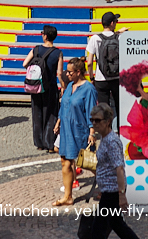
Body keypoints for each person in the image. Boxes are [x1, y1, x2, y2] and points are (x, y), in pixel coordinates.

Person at [83, 102, 140, 239]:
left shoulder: (112, 142)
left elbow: (119, 168)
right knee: (116, 224)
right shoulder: (104, 138)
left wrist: (121, 195)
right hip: (108, 190)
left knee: (98, 230)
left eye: (98, 120)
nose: (94, 123)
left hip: (113, 191)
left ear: (108, 121)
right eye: (92, 120)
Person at [54, 57, 97, 207]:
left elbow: (92, 111)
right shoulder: (70, 85)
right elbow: (64, 105)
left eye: (70, 72)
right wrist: (59, 122)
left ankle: (108, 186)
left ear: (79, 72)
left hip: (80, 130)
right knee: (65, 162)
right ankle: (68, 196)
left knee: (88, 163)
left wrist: (92, 132)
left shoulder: (89, 89)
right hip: (66, 129)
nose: (67, 74)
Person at [23, 25, 64, 152]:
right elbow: (59, 73)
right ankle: (50, 144)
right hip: (50, 87)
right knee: (51, 114)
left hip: (36, 86)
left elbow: (25, 64)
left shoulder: (35, 49)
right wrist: (63, 86)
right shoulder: (58, 53)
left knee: (37, 113)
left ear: (45, 36)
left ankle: (39, 143)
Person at [86, 12, 121, 121]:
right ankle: (120, 134)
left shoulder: (95, 38)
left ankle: (105, 135)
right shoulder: (119, 37)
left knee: (103, 109)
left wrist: (91, 77)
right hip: (116, 77)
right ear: (112, 23)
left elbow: (89, 62)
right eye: (116, 21)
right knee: (119, 107)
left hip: (101, 78)